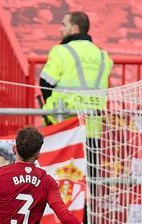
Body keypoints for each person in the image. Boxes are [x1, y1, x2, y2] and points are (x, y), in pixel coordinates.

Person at [39, 11, 112, 140]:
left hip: (64, 124)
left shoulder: (61, 51)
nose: (60, 29)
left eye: (63, 25)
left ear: (74, 29)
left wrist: (51, 111)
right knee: (91, 160)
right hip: (93, 127)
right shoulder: (103, 56)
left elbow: (45, 82)